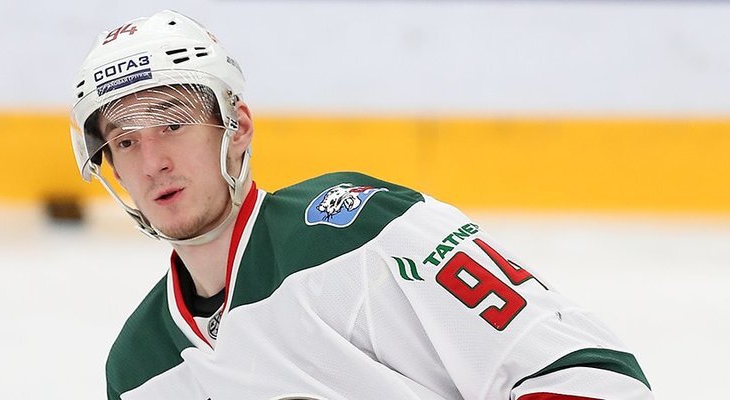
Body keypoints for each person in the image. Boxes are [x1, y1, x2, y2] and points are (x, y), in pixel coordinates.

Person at [69, 10, 653, 400]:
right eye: (126, 141)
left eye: (171, 124)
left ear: (236, 127)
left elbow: (588, 375)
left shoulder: (357, 232)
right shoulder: (139, 371)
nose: (153, 162)